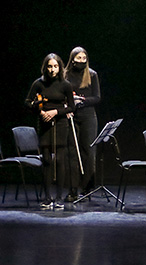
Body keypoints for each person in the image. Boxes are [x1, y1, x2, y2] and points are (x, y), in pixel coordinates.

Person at [25, 54, 76, 208]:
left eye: (55, 66)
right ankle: (47, 197)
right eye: (49, 66)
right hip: (44, 125)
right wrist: (40, 111)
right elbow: (28, 102)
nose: (52, 69)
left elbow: (72, 107)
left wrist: (55, 112)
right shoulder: (39, 83)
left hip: (60, 124)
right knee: (46, 161)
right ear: (45, 67)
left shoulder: (65, 85)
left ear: (59, 67)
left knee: (60, 161)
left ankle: (59, 198)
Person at [65, 46, 101, 193]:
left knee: (89, 151)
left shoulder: (92, 74)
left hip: (88, 116)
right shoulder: (65, 74)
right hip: (71, 116)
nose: (81, 61)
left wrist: (82, 101)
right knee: (72, 152)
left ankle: (87, 186)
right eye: (78, 58)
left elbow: (97, 97)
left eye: (84, 58)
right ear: (72, 59)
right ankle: (73, 188)